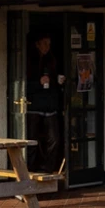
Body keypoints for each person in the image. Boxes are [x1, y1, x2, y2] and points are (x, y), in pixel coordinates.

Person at [25, 31, 64, 173]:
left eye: (49, 44)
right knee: (32, 141)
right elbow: (21, 84)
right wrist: (38, 83)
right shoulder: (28, 60)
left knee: (54, 139)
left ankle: (48, 168)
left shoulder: (52, 60)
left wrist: (57, 81)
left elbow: (53, 80)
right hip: (33, 106)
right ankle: (29, 170)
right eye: (45, 43)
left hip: (50, 106)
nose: (47, 47)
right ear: (37, 44)